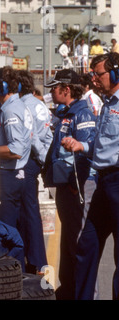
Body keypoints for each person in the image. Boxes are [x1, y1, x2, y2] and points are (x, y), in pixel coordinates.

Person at [61, 53, 119, 300]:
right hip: (103, 182)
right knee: (86, 245)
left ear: (115, 73)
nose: (94, 79)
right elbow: (102, 143)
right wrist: (80, 146)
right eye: (93, 74)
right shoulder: (107, 103)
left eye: (99, 74)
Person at [42, 69, 97, 300]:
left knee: (80, 244)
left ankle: (85, 294)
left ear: (66, 90)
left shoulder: (82, 114)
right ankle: (68, 291)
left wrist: (77, 184)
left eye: (54, 88)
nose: (51, 92)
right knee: (68, 242)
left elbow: (86, 152)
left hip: (78, 186)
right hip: (66, 187)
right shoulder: (66, 113)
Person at [0, 66, 32, 241]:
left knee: (6, 231)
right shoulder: (18, 106)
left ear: (2, 87)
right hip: (17, 175)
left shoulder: (10, 110)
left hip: (9, 176)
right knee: (14, 230)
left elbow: (16, 150)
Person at [17, 70, 53, 275]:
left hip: (27, 160)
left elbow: (30, 137)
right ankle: (36, 260)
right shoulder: (40, 105)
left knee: (27, 213)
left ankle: (34, 261)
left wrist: (38, 157)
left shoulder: (22, 106)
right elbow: (46, 136)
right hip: (35, 161)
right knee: (29, 212)